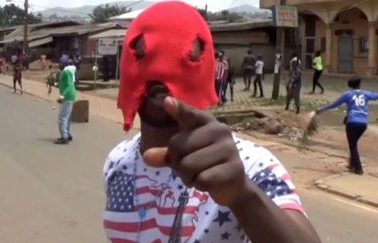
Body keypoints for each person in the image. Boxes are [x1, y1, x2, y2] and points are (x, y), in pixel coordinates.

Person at [103, 2, 321, 243]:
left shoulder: (249, 166)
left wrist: (243, 195)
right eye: (141, 52)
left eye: (190, 54)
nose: (161, 72)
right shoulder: (117, 162)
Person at [312, 77, 378, 175]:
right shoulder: (366, 93)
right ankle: (352, 165)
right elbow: (376, 96)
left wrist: (321, 109)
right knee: (353, 144)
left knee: (353, 146)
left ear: (350, 86)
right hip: (363, 124)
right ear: (359, 85)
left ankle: (359, 169)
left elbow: (334, 104)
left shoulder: (347, 94)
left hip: (352, 123)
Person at [55, 60, 76, 145]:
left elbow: (69, 85)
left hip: (67, 97)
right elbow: (66, 83)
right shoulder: (69, 71)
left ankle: (64, 137)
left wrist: (63, 95)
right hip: (70, 96)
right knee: (67, 117)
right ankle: (67, 134)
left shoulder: (65, 72)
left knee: (62, 117)